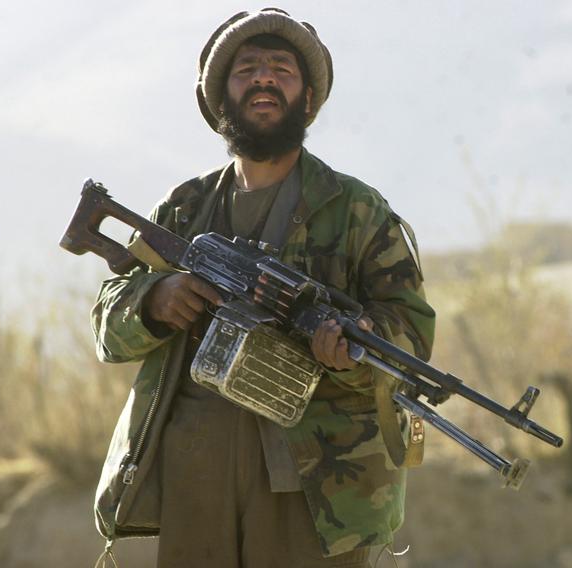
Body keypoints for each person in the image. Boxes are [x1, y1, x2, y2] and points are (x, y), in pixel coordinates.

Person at [90, 8, 435, 568]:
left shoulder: (357, 211)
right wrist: (155, 301)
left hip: (314, 482)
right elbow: (108, 325)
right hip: (194, 470)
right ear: (220, 97)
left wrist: (356, 348)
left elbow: (412, 334)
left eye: (281, 69)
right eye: (246, 69)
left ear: (306, 98)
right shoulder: (182, 210)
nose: (264, 79)